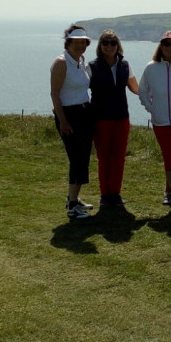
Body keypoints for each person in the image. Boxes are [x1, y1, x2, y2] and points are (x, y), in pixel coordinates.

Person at [137, 30, 171, 213]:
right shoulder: (150, 68)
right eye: (166, 44)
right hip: (160, 121)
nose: (169, 48)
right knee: (170, 156)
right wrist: (151, 108)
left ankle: (168, 191)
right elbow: (142, 90)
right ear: (160, 46)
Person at [88, 29, 139, 208]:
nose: (109, 46)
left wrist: (155, 96)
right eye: (105, 43)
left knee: (118, 157)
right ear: (100, 46)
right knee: (104, 157)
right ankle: (105, 194)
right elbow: (79, 89)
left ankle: (115, 193)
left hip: (121, 118)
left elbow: (135, 87)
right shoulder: (92, 66)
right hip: (100, 118)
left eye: (113, 43)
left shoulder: (125, 65)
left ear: (118, 45)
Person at [50, 24, 95, 220]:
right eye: (76, 43)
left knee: (83, 157)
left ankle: (74, 198)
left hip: (84, 113)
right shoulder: (61, 63)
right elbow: (55, 93)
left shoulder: (80, 60)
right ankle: (72, 206)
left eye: (83, 43)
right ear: (68, 43)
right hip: (70, 115)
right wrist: (63, 121)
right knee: (77, 159)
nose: (80, 46)